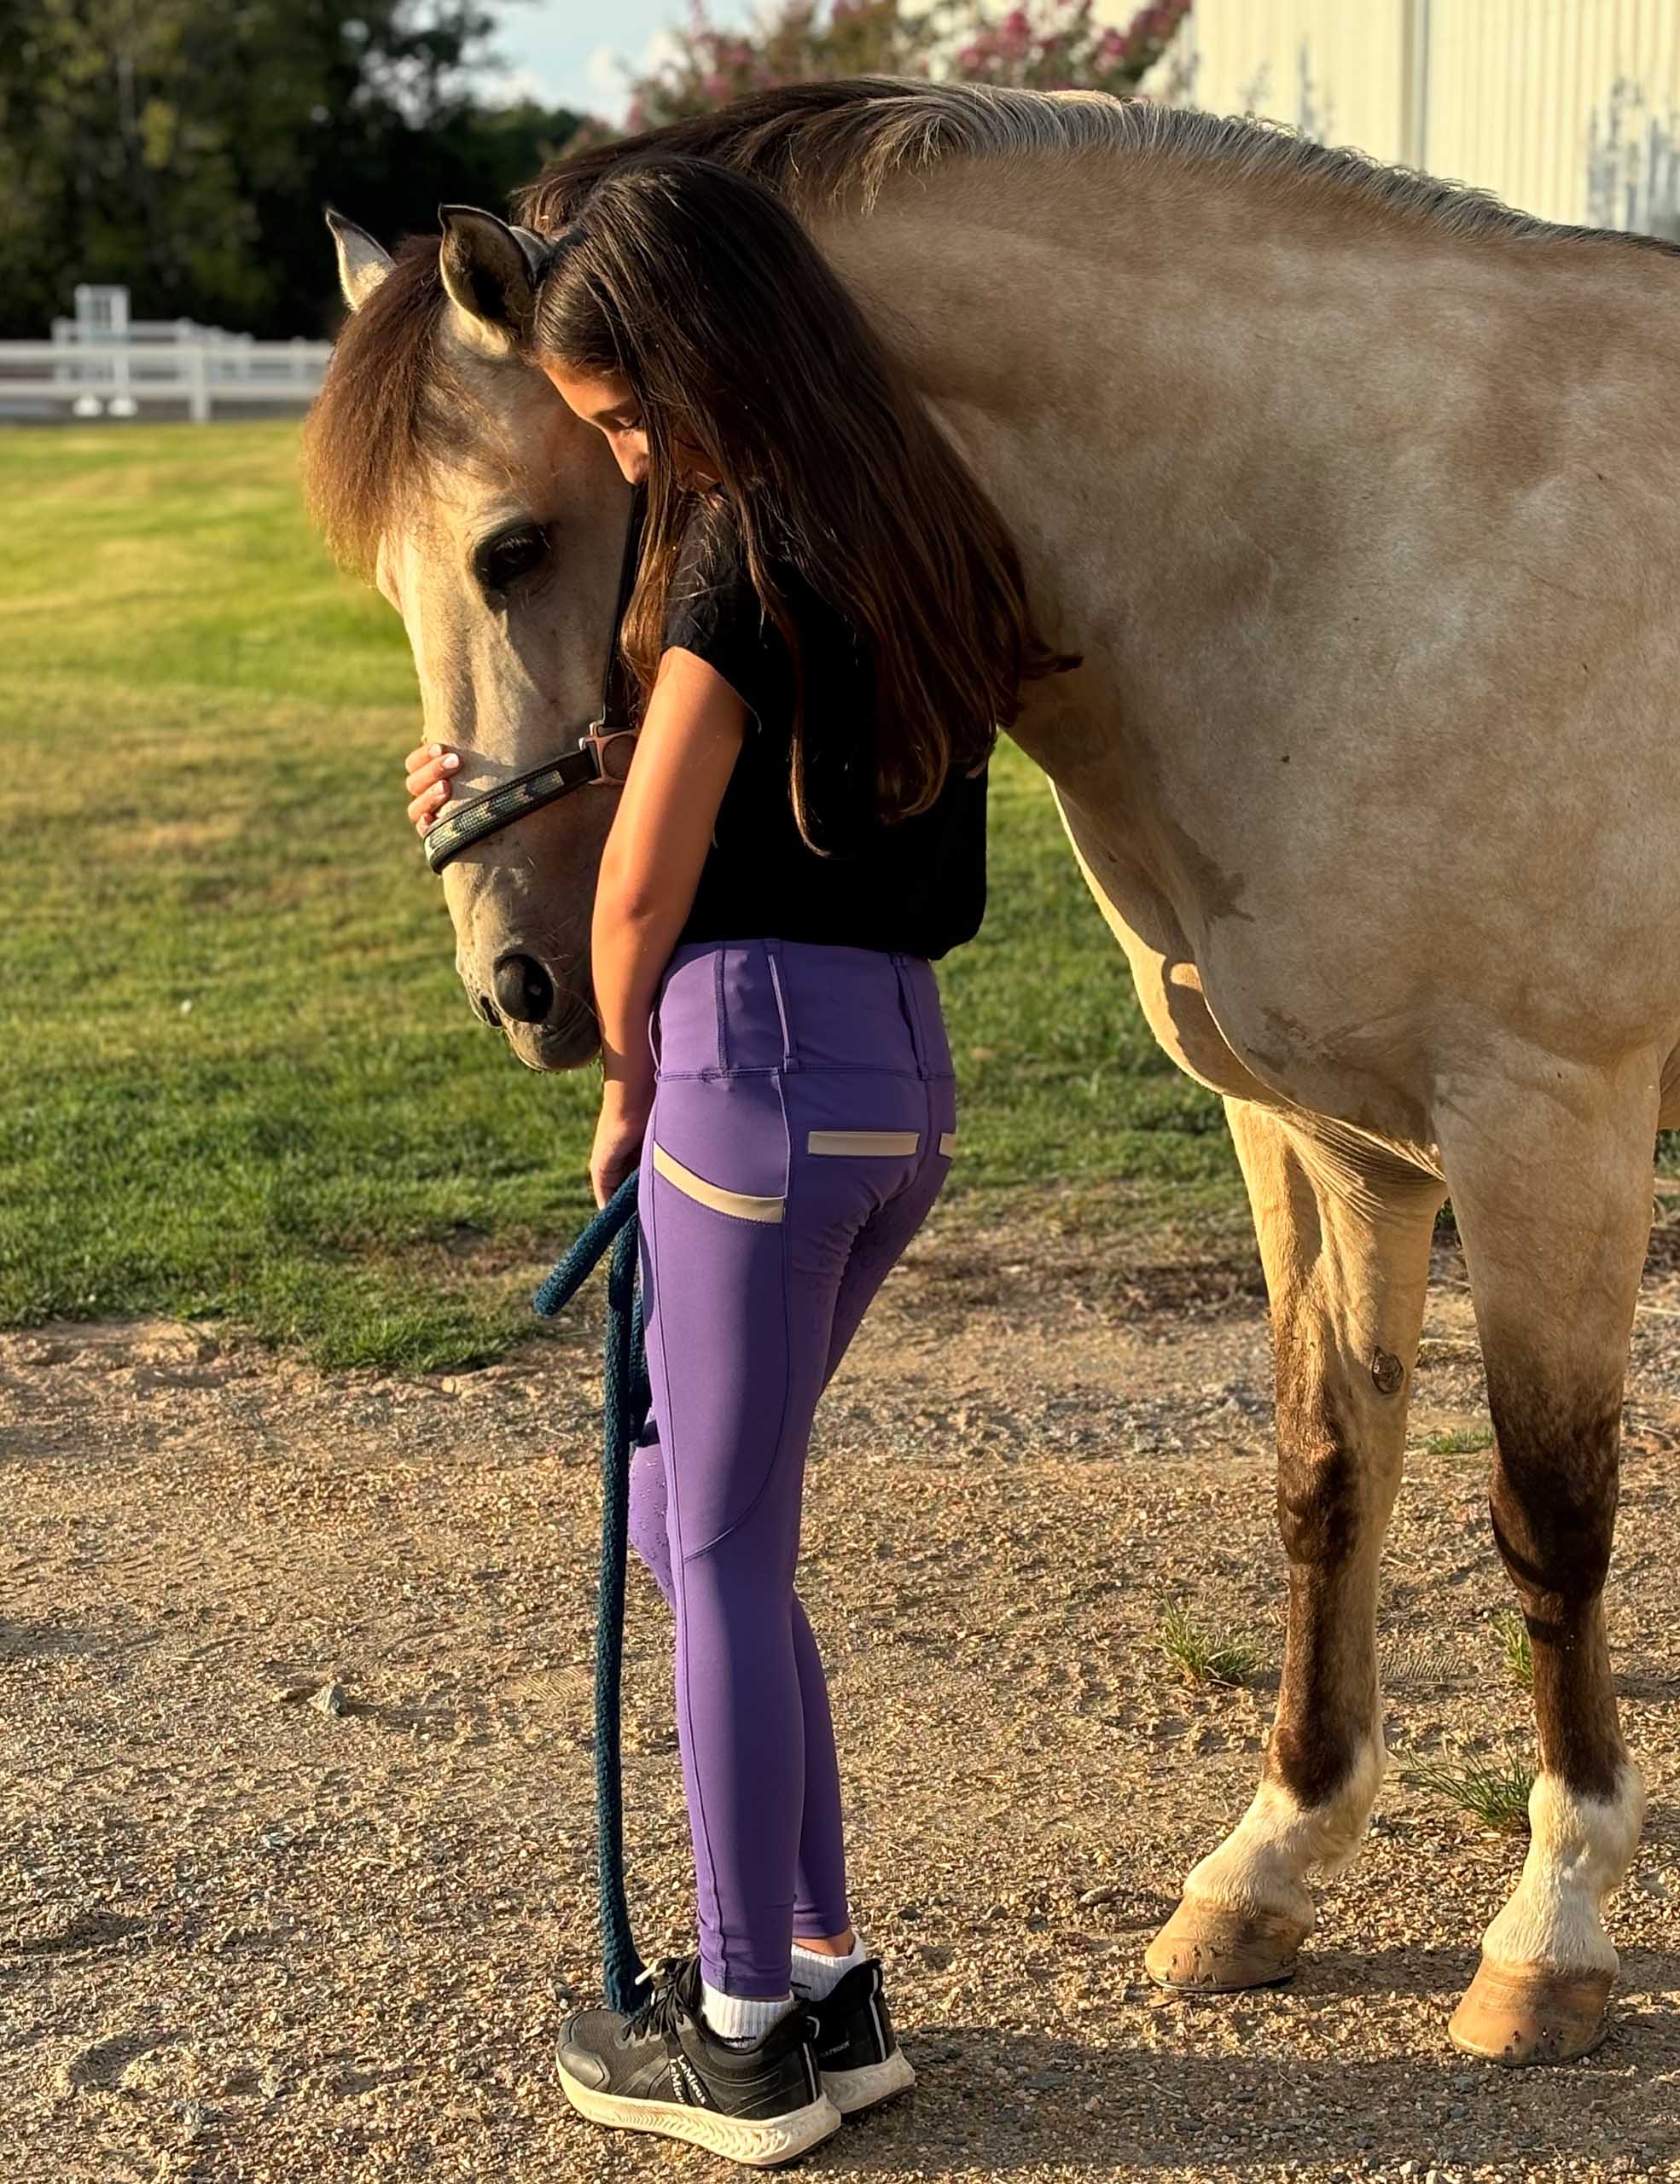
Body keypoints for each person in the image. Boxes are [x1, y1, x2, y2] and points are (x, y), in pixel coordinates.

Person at [402, 154, 1078, 2165]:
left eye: (622, 415)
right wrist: (539, 767)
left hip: (742, 1080)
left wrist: (625, 1084)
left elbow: (640, 901)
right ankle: (827, 1968)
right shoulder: (920, 527)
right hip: (899, 1086)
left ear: (698, 364)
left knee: (708, 1545)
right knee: (706, 1513)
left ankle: (744, 2025)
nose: (619, 446)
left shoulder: (721, 556)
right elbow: (769, 760)